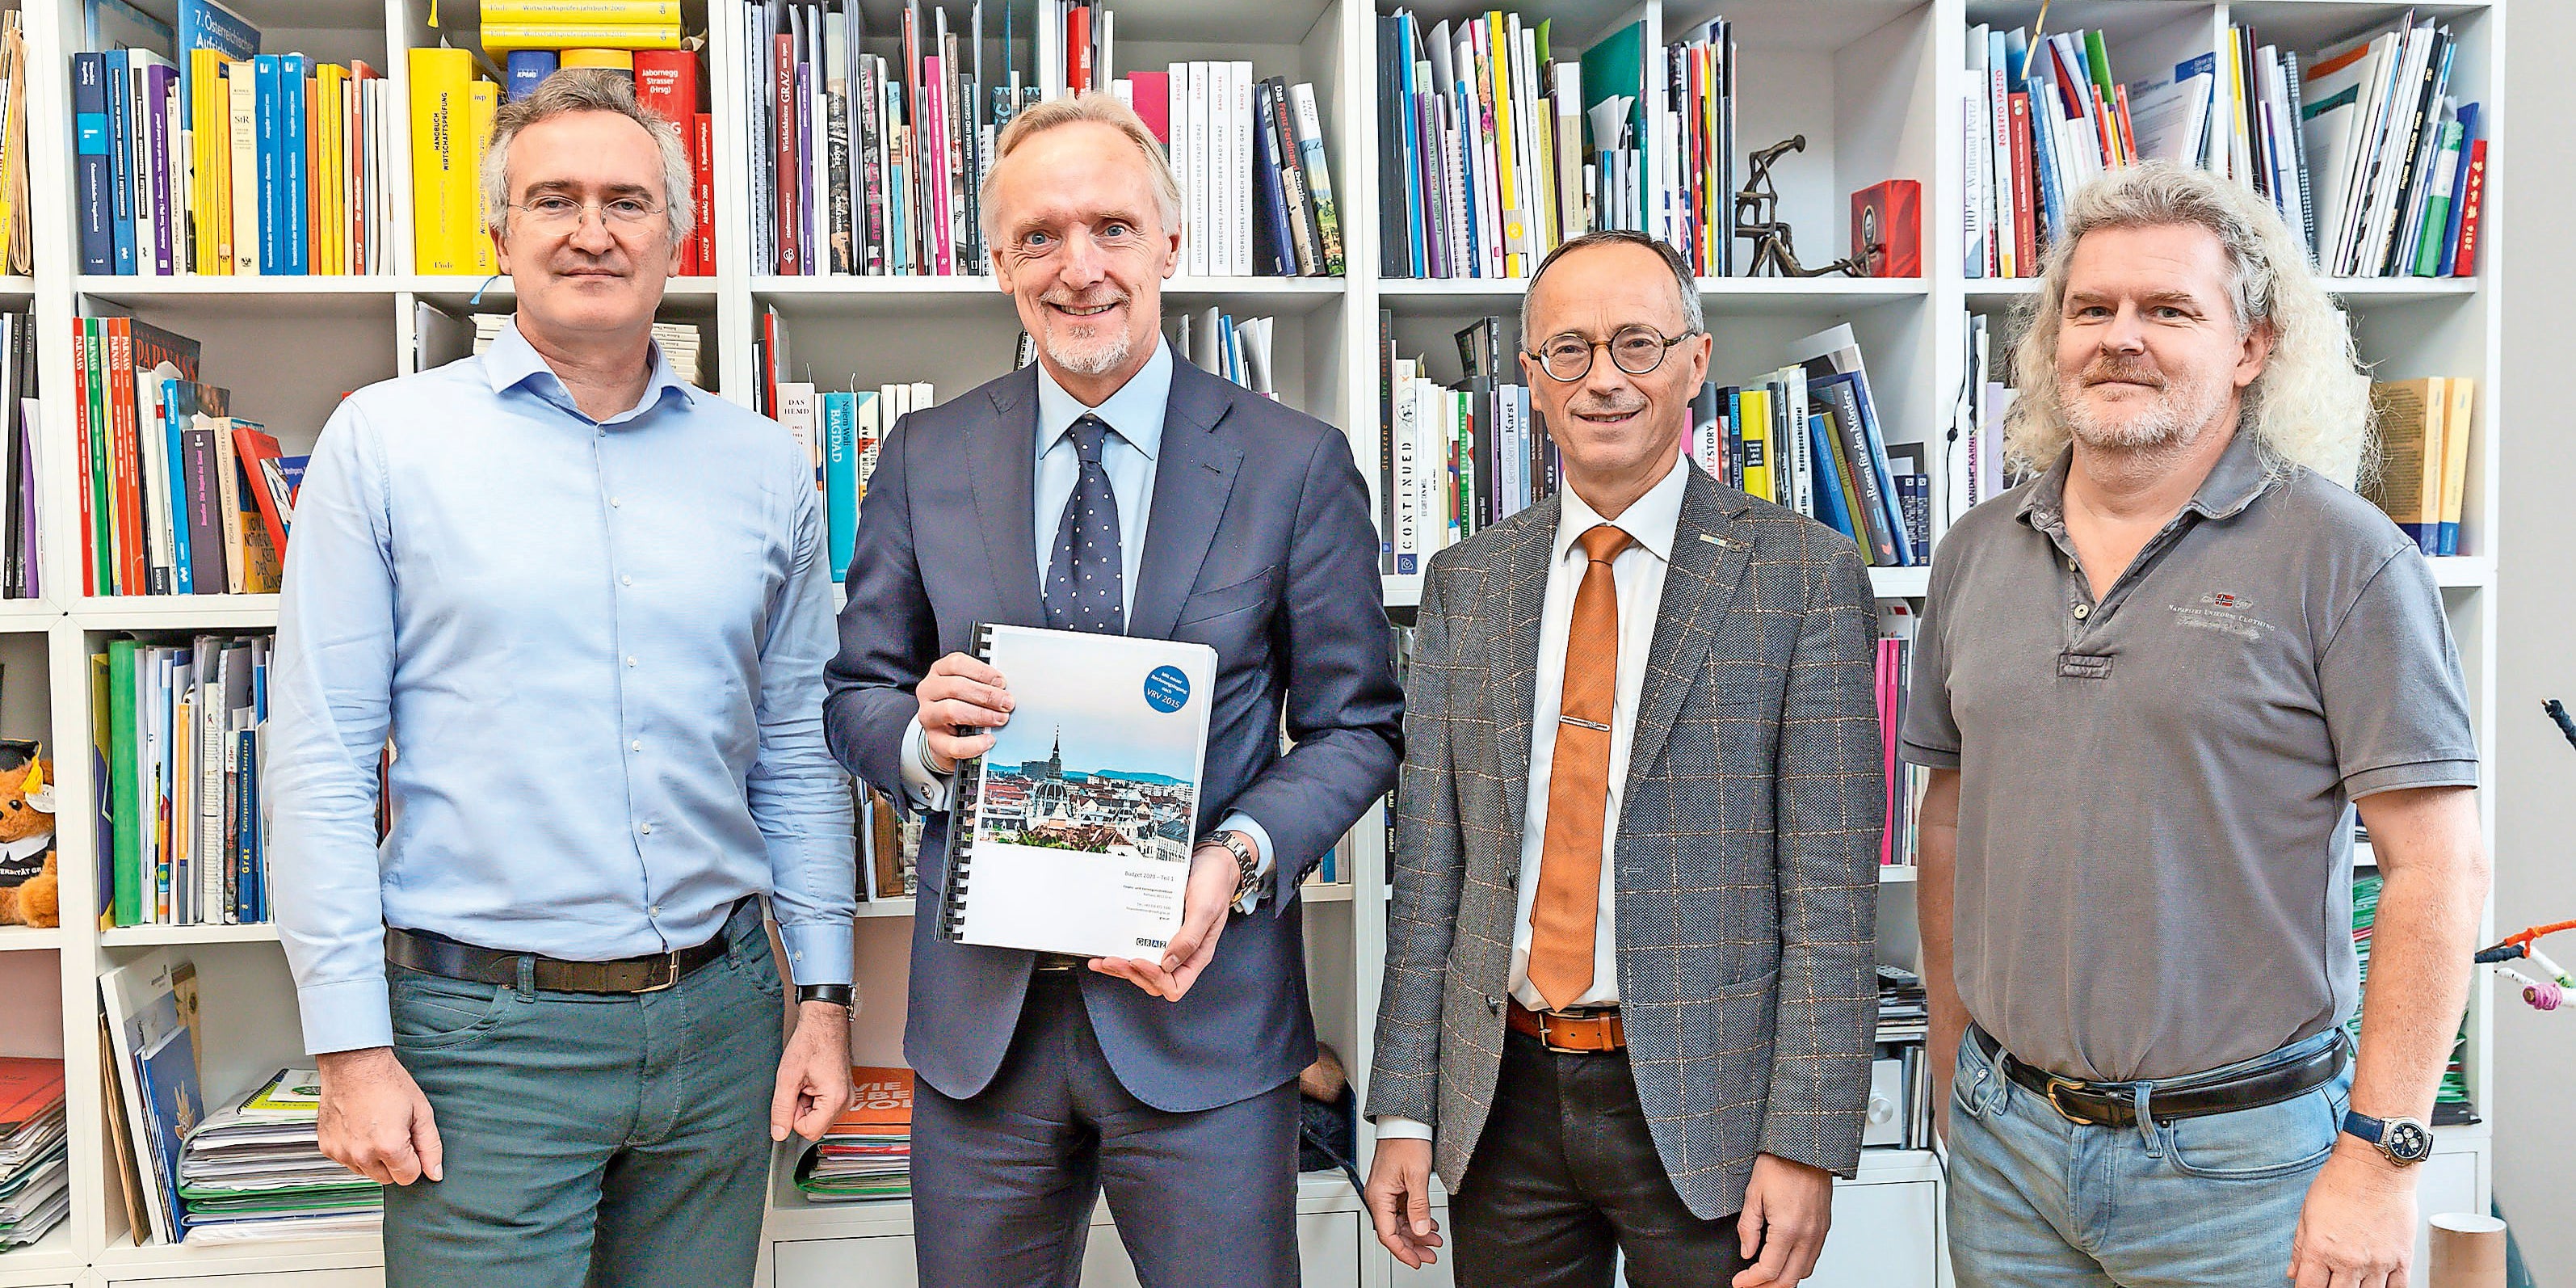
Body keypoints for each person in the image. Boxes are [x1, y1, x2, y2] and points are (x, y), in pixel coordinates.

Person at [266, 70, 857, 1287]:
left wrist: (825, 996)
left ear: (675, 236)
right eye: (555, 200)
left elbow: (797, 749)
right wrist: (350, 1049)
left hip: (723, 1023)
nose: (594, 230)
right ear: (501, 235)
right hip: (484, 1045)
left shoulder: (762, 468)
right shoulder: (385, 443)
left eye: (627, 202)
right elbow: (322, 758)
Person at [823, 94, 1402, 1287]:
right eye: (1038, 236)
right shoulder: (925, 456)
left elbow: (1356, 727)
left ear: (1169, 244)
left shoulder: (1293, 462)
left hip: (1206, 1021)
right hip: (981, 1036)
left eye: (1112, 228)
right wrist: (921, 740)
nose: (1077, 266)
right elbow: (856, 694)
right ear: (1000, 264)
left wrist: (1233, 858)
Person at [1905, 161, 2490, 1288]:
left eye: (2168, 310)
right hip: (2005, 1147)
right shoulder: (1974, 551)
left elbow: (2438, 866)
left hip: (2247, 1166)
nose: (2120, 337)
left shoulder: (2345, 557)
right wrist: (1947, 1055)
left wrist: (2381, 1159)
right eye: (2092, 308)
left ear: (2250, 347)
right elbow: (1951, 815)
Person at [1364, 229, 1883, 1288]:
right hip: (1501, 1097)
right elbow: (1429, 877)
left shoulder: (1802, 574)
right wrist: (1406, 1110)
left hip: (1711, 1108)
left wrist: (1805, 1140)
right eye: (1571, 350)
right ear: (1532, 380)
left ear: (1695, 362)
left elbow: (1831, 897)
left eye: (1637, 344)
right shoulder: (1469, 582)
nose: (1604, 378)